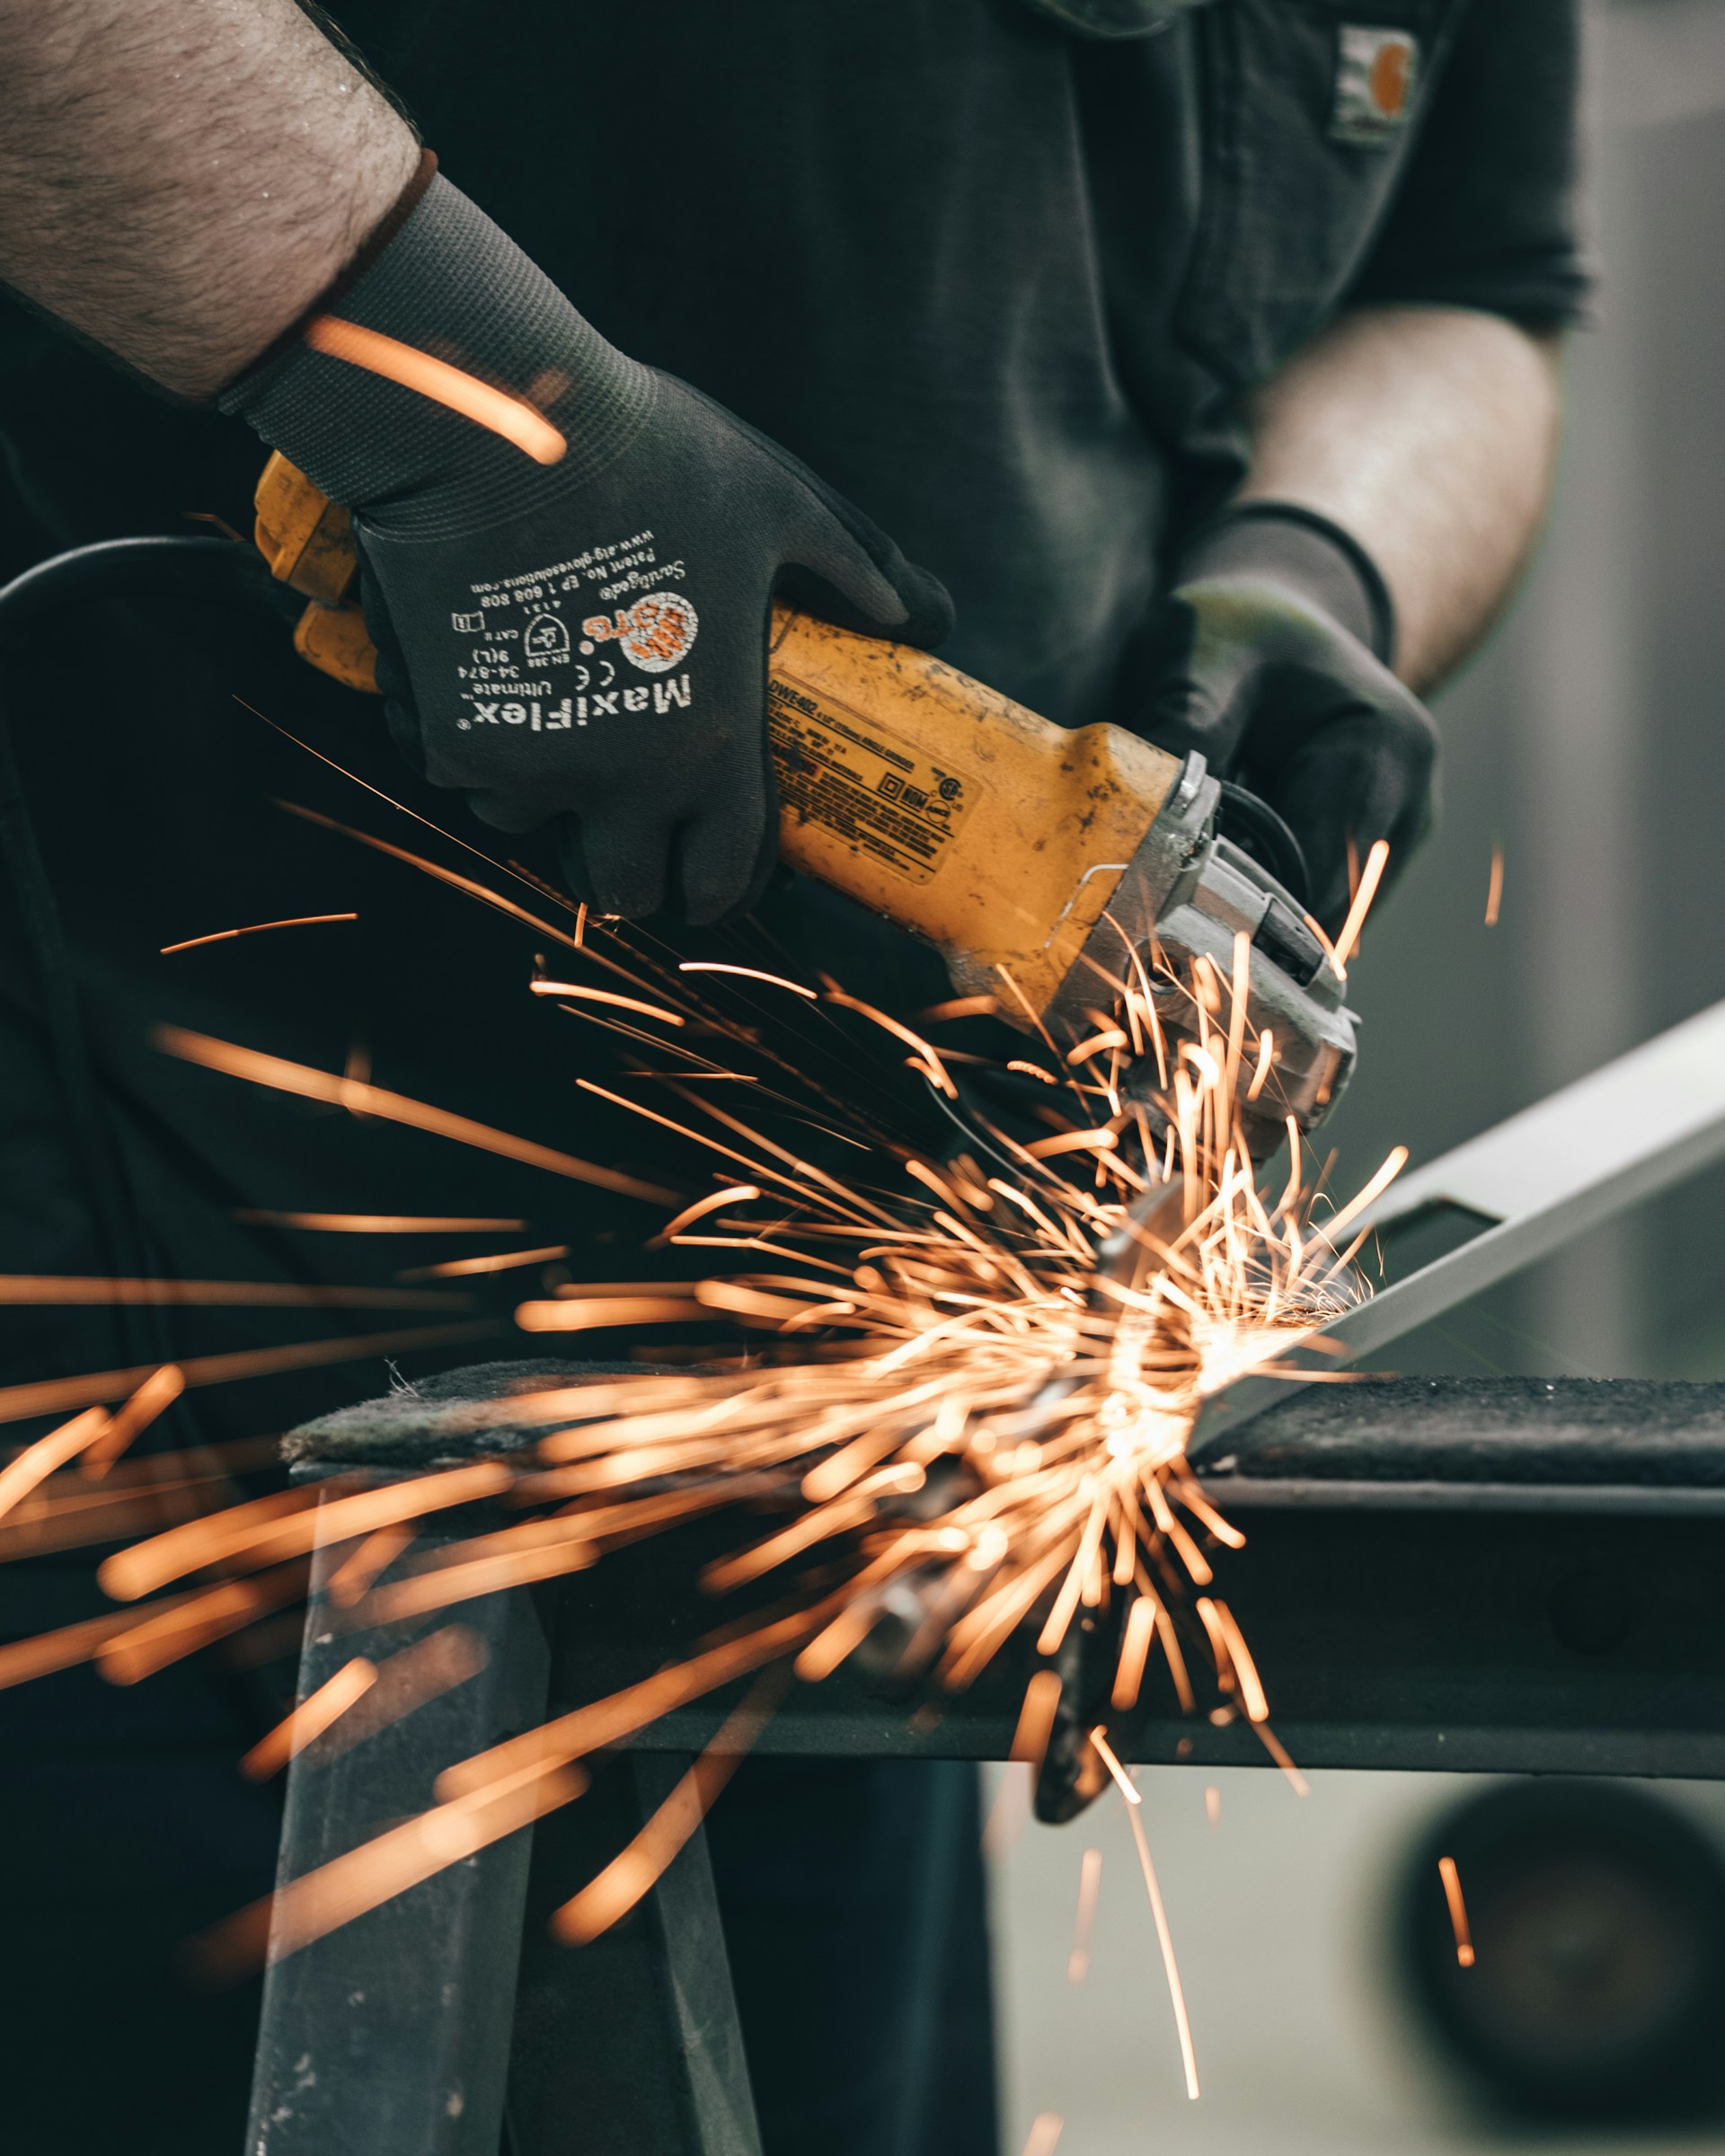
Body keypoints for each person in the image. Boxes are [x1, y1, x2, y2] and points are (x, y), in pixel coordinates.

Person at [0, 3, 1588, 2151]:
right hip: (139, 1386)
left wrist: (1314, 571)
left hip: (845, 1415)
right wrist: (441, 389)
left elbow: (1473, 293)